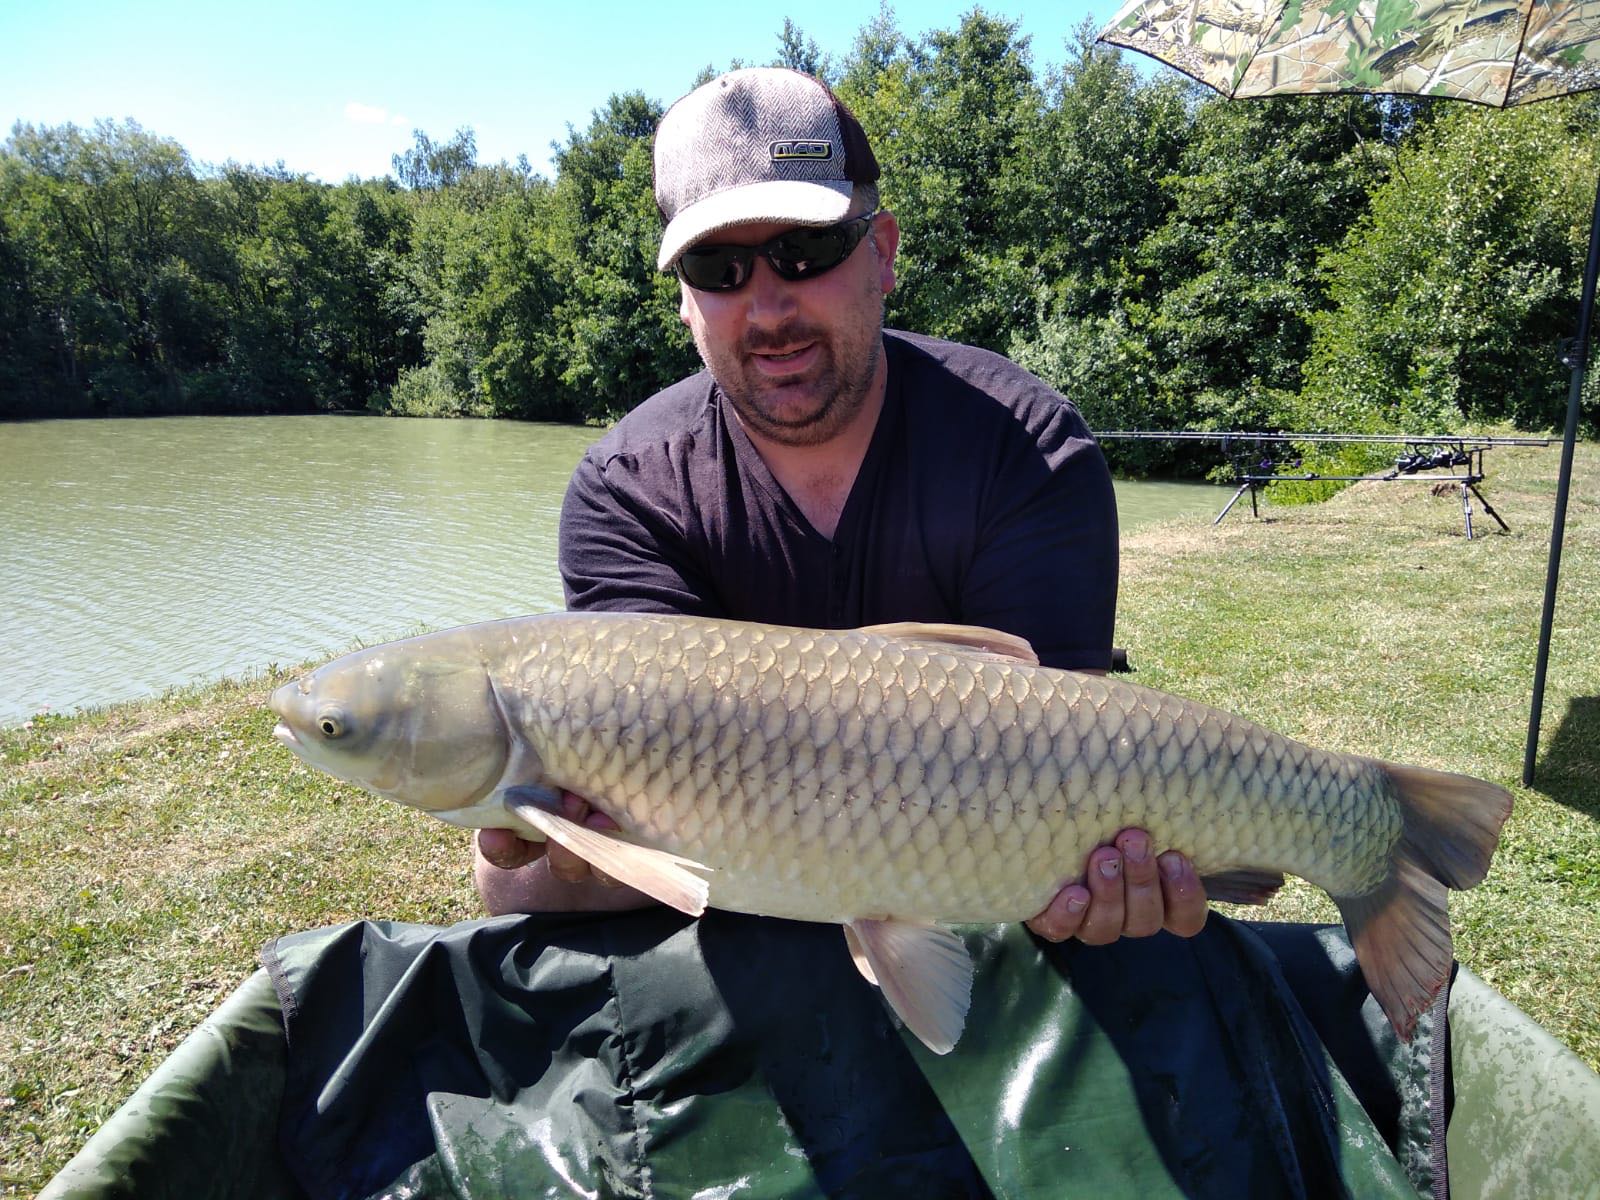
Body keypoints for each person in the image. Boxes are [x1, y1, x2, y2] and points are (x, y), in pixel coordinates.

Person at [472, 65, 1209, 945]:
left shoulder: (1026, 446)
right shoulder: (629, 489)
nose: (768, 305)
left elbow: (1067, 794)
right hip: (748, 917)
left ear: (883, 251)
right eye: (720, 267)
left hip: (987, 883)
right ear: (683, 300)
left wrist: (1094, 878)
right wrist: (555, 852)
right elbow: (635, 847)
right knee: (513, 887)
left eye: (805, 251)